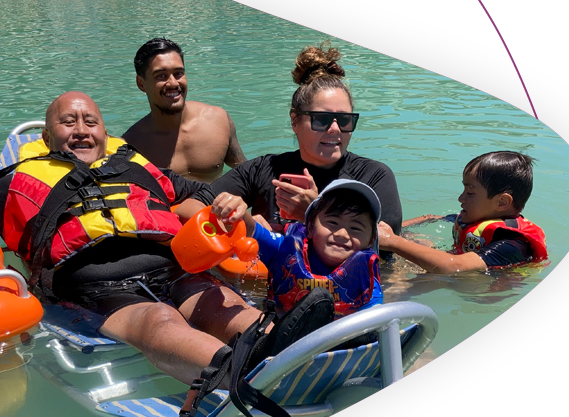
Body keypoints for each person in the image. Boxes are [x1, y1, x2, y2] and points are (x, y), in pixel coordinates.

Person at [0, 92, 323, 392]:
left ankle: (285, 345)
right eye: (68, 122)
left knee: (218, 302)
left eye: (91, 121)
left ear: (106, 132)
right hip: (97, 288)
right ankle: (240, 371)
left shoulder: (137, 166)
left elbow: (199, 196)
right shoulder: (17, 183)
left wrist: (231, 207)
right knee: (159, 321)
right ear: (47, 139)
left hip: (174, 267)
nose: (81, 130)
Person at [211, 42, 403, 234]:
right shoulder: (264, 170)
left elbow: (381, 251)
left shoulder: (373, 177)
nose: (335, 129)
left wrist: (312, 213)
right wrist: (235, 216)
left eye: (345, 120)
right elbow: (198, 202)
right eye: (322, 120)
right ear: (295, 121)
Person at [212, 179, 383, 317]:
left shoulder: (365, 278)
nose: (342, 234)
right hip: (279, 332)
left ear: (371, 240)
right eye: (332, 223)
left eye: (356, 228)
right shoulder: (284, 250)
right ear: (310, 228)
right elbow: (250, 229)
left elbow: (371, 323)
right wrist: (237, 210)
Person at [377, 151, 548, 273]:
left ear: (502, 202)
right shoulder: (474, 219)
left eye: (470, 193)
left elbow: (453, 266)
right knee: (414, 239)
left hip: (481, 290)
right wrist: (391, 229)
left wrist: (392, 240)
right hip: (455, 265)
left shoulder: (510, 244)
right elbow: (430, 218)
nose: (461, 198)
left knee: (399, 281)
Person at [122, 38, 247, 183]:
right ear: (141, 83)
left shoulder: (218, 121)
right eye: (161, 76)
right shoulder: (132, 145)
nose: (173, 83)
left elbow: (248, 175)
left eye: (178, 73)